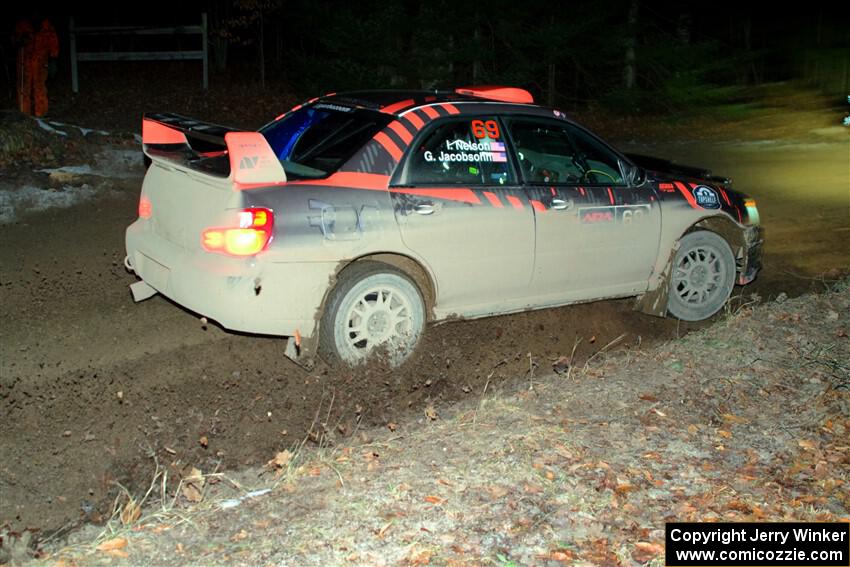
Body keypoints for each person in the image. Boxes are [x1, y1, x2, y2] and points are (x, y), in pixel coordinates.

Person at [14, 16, 59, 117]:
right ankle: (24, 115)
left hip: (41, 62)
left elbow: (53, 42)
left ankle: (41, 115)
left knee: (40, 88)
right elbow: (13, 40)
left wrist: (53, 59)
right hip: (24, 62)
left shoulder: (47, 26)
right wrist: (20, 40)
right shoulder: (22, 25)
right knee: (23, 89)